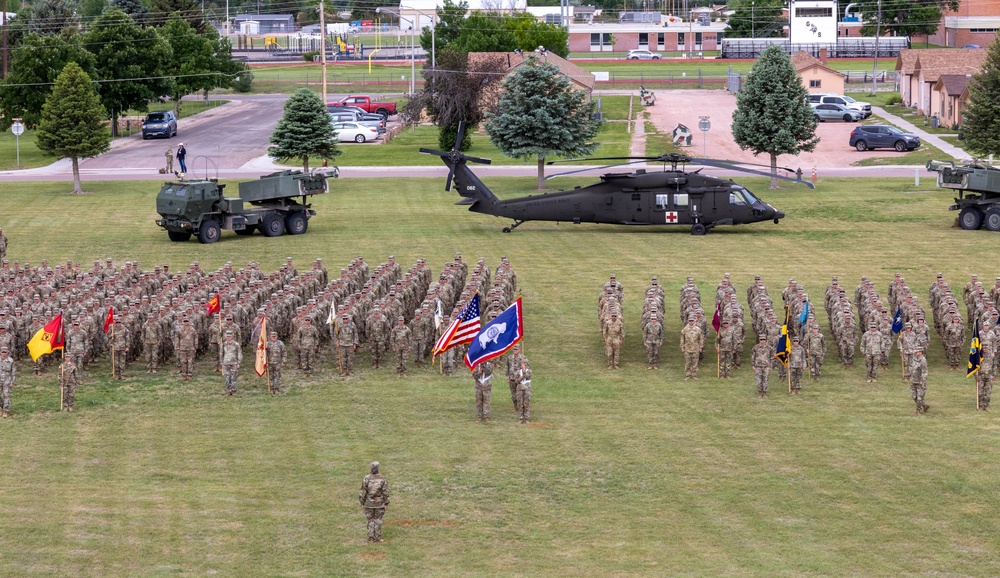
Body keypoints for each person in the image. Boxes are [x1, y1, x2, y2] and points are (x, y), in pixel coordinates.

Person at [359, 461, 390, 543]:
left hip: (368, 504)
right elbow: (385, 492)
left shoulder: (366, 478)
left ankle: (371, 538)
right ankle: (378, 538)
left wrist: (362, 502)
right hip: (379, 504)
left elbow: (363, 492)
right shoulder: (382, 479)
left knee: (370, 520)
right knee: (378, 520)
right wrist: (386, 502)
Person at [680, 314, 704, 379]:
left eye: (692, 321)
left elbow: (701, 339)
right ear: (688, 321)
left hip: (695, 348)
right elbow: (682, 338)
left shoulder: (698, 329)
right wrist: (682, 347)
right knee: (688, 362)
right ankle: (687, 375)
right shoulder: (685, 329)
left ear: (694, 321)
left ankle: (694, 375)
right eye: (690, 321)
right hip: (687, 348)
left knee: (695, 362)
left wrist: (701, 347)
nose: (691, 322)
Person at [513, 350, 532, 424]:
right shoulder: (518, 372)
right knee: (520, 403)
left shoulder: (529, 371)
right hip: (520, 388)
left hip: (527, 388)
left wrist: (524, 371)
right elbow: (516, 381)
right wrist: (521, 377)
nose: (524, 365)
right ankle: (521, 418)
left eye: (525, 364)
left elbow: (527, 376)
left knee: (526, 403)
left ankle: (527, 418)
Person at [910, 349, 929, 415]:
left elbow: (924, 372)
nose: (916, 353)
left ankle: (918, 411)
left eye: (917, 352)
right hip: (913, 380)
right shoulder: (914, 359)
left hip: (920, 382)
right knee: (913, 396)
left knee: (919, 397)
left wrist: (922, 381)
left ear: (920, 352)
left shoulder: (923, 361)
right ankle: (924, 405)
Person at [0, 346, 14, 417]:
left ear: (7, 352)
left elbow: (13, 372)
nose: (4, 353)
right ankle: (2, 407)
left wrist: (12, 382)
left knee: (6, 395)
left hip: (7, 380)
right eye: (2, 352)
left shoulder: (11, 361)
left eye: (5, 352)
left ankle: (5, 411)